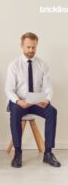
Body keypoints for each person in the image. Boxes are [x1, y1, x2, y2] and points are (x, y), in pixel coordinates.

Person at [5, 32, 61, 168]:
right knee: (15, 114)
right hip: (20, 101)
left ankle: (48, 153)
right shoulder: (14, 65)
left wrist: (47, 100)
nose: (31, 50)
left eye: (34, 47)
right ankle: (18, 153)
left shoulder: (42, 65)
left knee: (52, 112)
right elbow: (9, 89)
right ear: (22, 46)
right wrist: (18, 101)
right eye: (28, 47)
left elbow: (48, 87)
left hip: (37, 101)